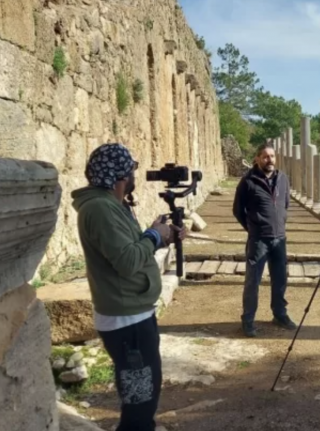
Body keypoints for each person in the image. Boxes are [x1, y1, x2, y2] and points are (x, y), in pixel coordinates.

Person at [71, 143, 185, 431]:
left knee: (144, 391)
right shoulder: (99, 208)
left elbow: (130, 248)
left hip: (133, 314)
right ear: (120, 176)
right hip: (126, 321)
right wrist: (153, 236)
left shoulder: (110, 205)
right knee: (139, 399)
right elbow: (127, 261)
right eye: (131, 169)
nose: (135, 175)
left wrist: (163, 236)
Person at [233, 142, 296, 337]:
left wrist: (279, 223)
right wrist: (253, 228)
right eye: (266, 156)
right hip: (259, 240)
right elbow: (238, 210)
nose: (270, 160)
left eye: (272, 156)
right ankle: (248, 320)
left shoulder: (283, 178)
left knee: (280, 279)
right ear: (257, 159)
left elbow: (285, 204)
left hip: (279, 238)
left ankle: (279, 314)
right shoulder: (248, 181)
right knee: (253, 281)